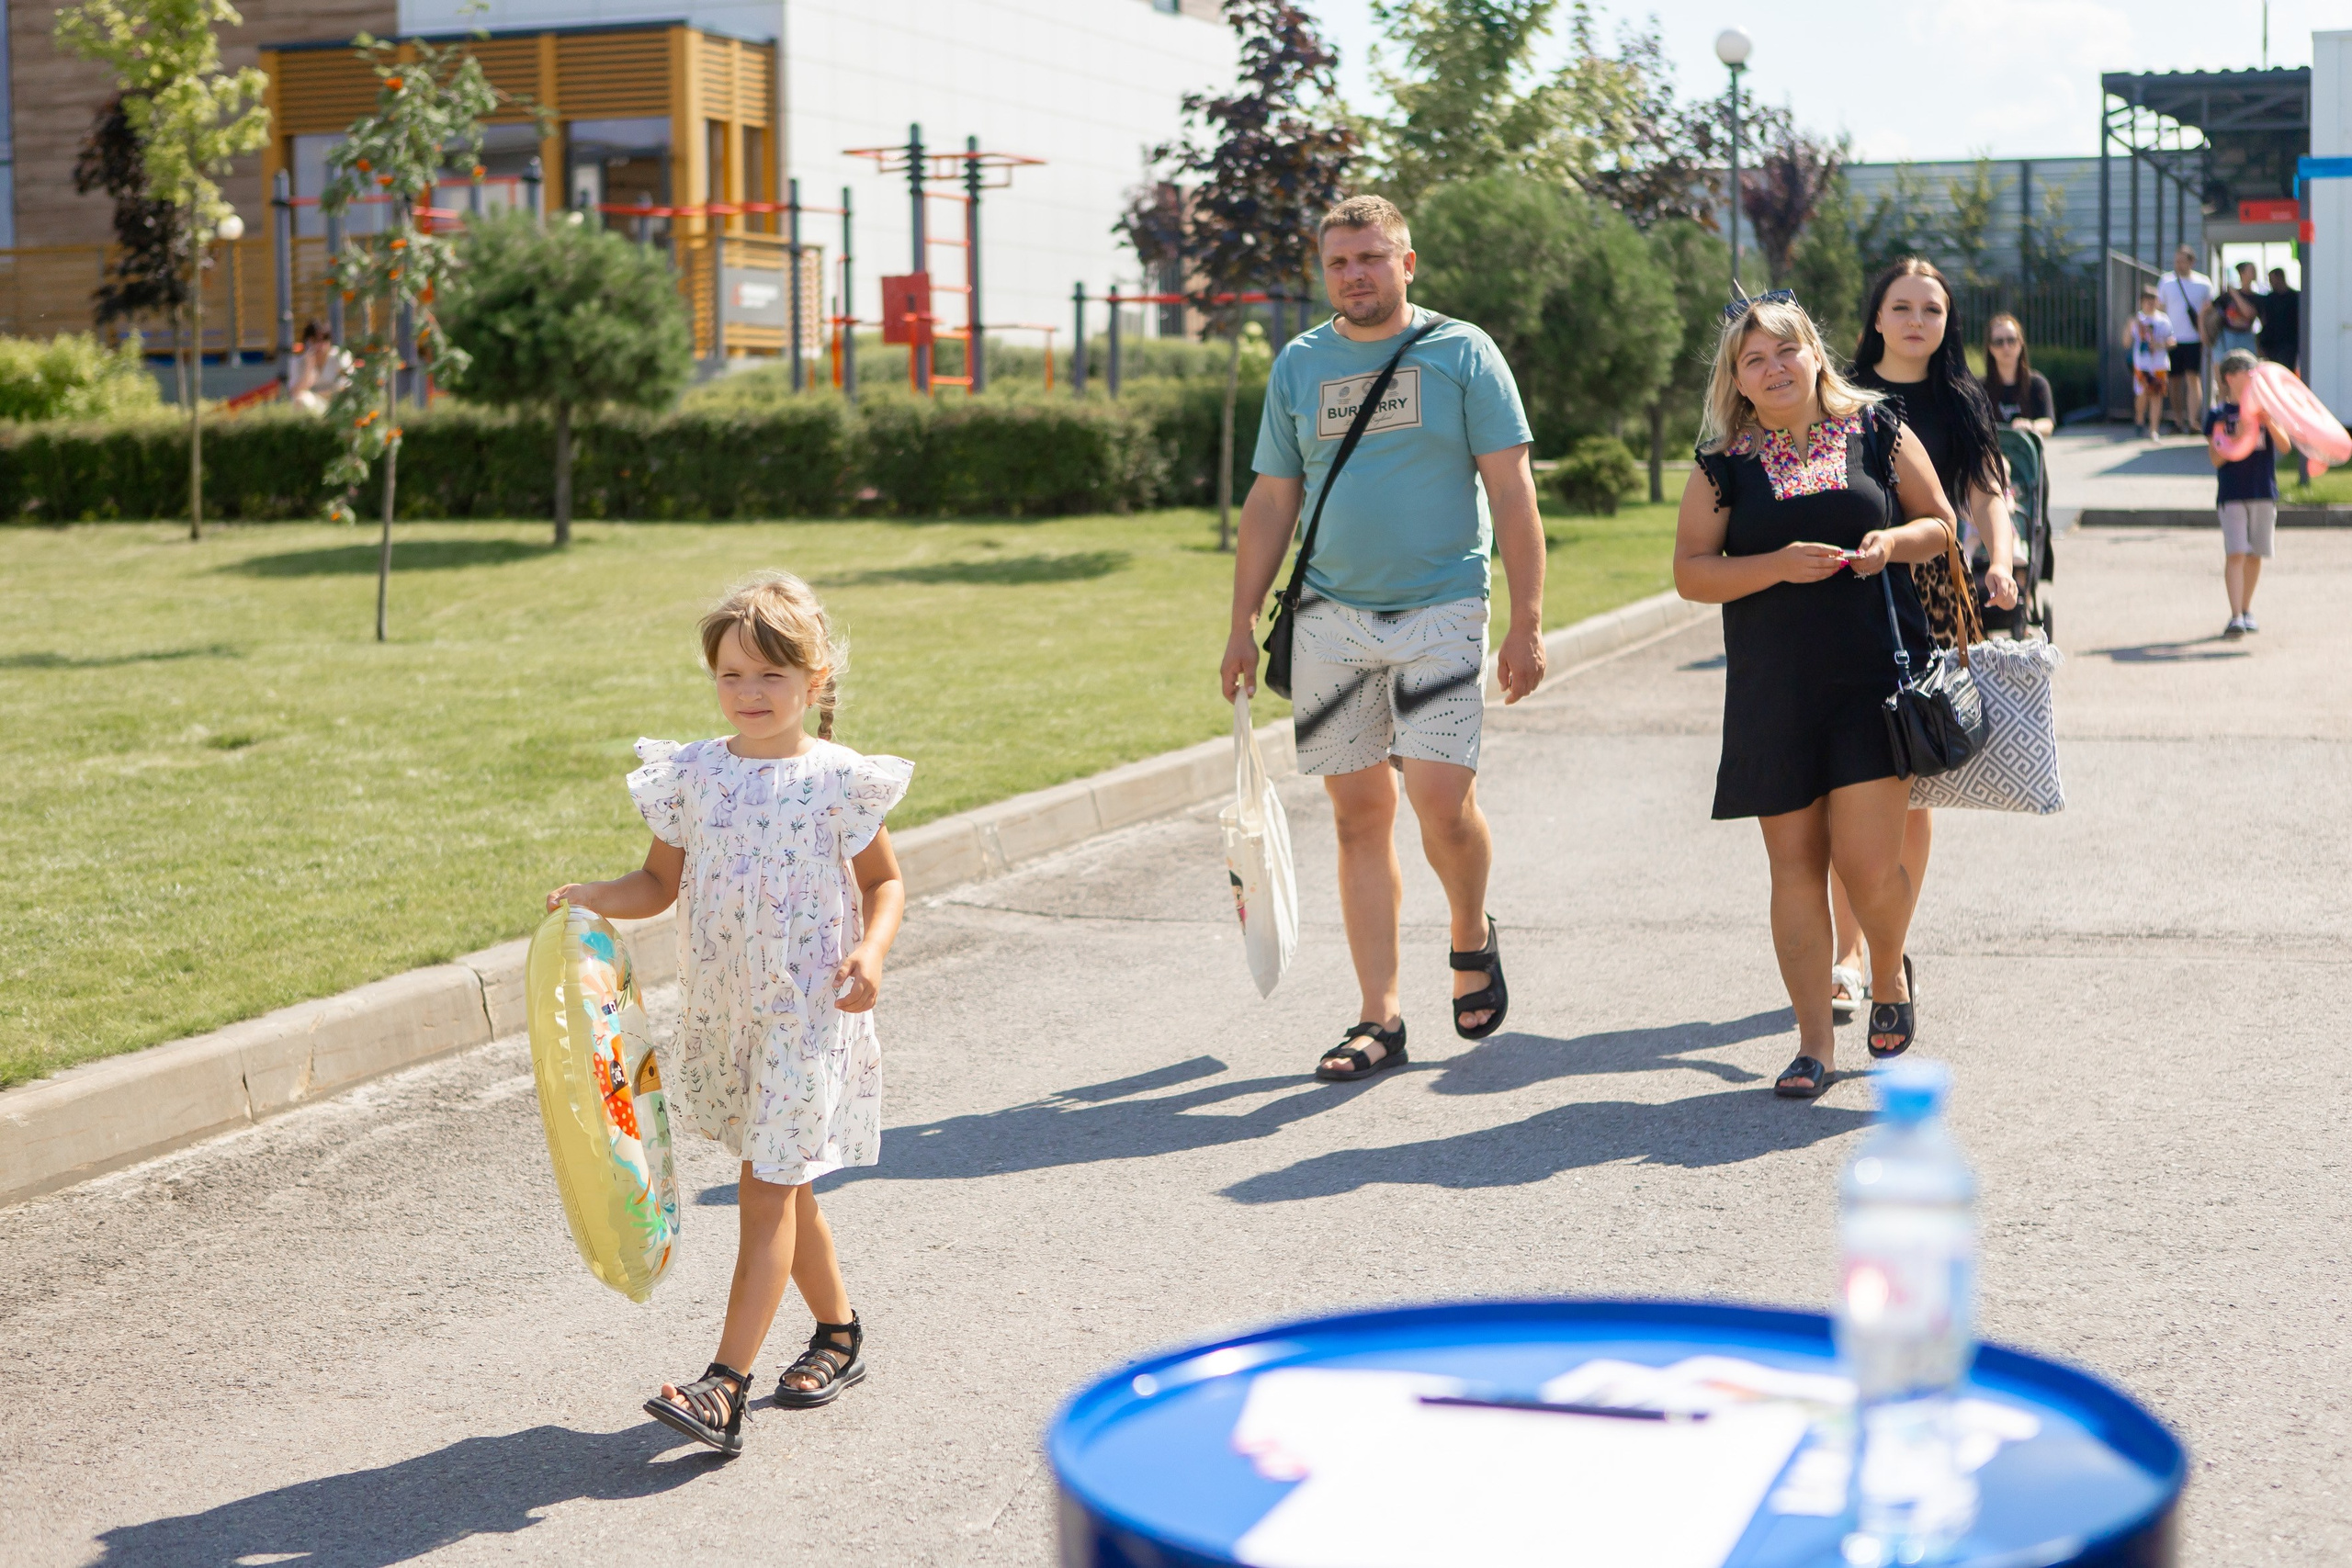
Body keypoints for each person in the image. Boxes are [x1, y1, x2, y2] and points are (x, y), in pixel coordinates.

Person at [548, 572, 911, 1455]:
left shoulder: (837, 782)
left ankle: (725, 1385)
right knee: (783, 1183)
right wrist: (588, 897)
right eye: (732, 677)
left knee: (764, 1191)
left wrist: (870, 953)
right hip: (728, 1016)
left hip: (809, 1021)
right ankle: (841, 1334)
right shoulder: (695, 775)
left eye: (770, 677)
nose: (749, 694)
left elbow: (884, 883)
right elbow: (657, 884)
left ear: (815, 680)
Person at [1222, 193, 1545, 1082]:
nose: (1355, 274)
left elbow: (1512, 492)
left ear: (1406, 264)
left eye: (1371, 257)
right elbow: (1271, 501)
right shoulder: (1299, 365)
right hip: (1329, 618)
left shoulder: (1462, 353)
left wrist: (1526, 621)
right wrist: (1241, 625)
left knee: (1440, 802)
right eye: (1338, 262)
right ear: (1323, 272)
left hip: (1443, 609)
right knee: (1357, 817)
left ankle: (1470, 931)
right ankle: (1379, 1016)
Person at [1674, 290, 1958, 1098]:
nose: (1773, 369)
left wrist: (1890, 544)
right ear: (1736, 378)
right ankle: (1811, 1046)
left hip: (1874, 681)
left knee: (1870, 868)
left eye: (1785, 351)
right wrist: (1772, 564)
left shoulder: (1877, 428)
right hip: (1774, 693)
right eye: (1753, 360)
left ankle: (1890, 978)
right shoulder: (1721, 464)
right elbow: (1691, 571)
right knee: (1794, 866)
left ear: (1814, 353)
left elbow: (1939, 525)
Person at [1830, 259, 2019, 1032]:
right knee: (1850, 784)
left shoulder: (1958, 398)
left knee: (1910, 782)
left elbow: (1985, 488)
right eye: (1901, 307)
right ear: (1876, 316)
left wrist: (2000, 560)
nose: (1916, 320)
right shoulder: (1838, 392)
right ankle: (1849, 956)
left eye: (1932, 309)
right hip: (1845, 598)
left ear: (1948, 322)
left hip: (1932, 601)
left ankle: (1886, 950)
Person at [2204, 348, 2290, 638]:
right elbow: (2216, 459)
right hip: (2232, 492)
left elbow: (2285, 446)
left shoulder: (2265, 410)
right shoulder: (2219, 415)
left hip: (2263, 490)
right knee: (2236, 552)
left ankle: (2246, 609)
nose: (2255, 376)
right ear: (2231, 377)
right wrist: (2237, 438)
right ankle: (2235, 615)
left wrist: (2267, 422)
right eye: (2248, 371)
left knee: (2256, 554)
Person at [2156, 246, 2213, 434]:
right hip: (2172, 339)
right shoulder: (2166, 281)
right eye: (2176, 261)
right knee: (2174, 380)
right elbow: (2160, 308)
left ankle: (2193, 420)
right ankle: (2178, 419)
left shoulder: (2203, 284)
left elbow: (2209, 311)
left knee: (2192, 378)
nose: (2178, 264)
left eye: (2182, 260)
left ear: (2191, 262)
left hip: (2194, 338)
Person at [1980, 312, 2054, 434]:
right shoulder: (1979, 388)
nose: (2006, 347)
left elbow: (2048, 424)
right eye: (1999, 342)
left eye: (2011, 340)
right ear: (1990, 348)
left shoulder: (2037, 383)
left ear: (2021, 344)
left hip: (2028, 453)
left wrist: (2031, 425)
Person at [2128, 288, 2176, 444]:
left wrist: (2160, 344)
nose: (2150, 303)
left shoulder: (2163, 320)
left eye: (2153, 299)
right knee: (2142, 395)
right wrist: (2129, 327)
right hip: (2142, 364)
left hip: (2159, 364)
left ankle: (2153, 429)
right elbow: (2126, 342)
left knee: (2156, 396)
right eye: (2147, 299)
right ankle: (2140, 420)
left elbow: (2172, 341)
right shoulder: (2137, 320)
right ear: (2141, 301)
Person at [2257, 266, 2301, 370]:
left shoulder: (2295, 298)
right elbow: (2264, 320)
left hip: (2289, 343)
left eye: (2272, 279)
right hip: (2271, 344)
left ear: (2280, 277)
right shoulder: (2269, 299)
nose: (2271, 283)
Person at [2217, 263, 2263, 359]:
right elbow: (2208, 308)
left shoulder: (2256, 298)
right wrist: (2204, 333)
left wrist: (2235, 294)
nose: (2255, 273)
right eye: (2251, 270)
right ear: (2242, 273)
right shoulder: (2227, 296)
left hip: (2247, 335)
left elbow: (2249, 314)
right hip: (2229, 336)